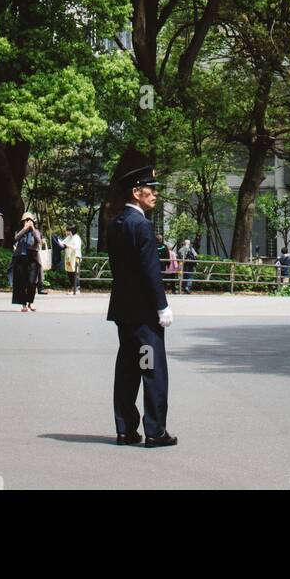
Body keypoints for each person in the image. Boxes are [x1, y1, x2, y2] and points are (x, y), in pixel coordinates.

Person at [107, 163, 176, 449]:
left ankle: (125, 429)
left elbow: (120, 269)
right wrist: (162, 306)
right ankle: (155, 431)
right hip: (145, 315)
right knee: (152, 369)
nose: (155, 194)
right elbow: (150, 271)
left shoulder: (116, 223)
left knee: (127, 369)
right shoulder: (143, 226)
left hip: (124, 311)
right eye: (152, 189)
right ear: (137, 192)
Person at [11, 212, 41, 311]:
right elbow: (16, 238)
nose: (28, 222)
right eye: (26, 220)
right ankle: (23, 305)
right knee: (22, 283)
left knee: (32, 282)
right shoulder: (20, 231)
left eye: (30, 220)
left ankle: (30, 303)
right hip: (21, 259)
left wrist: (32, 228)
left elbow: (39, 240)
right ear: (23, 222)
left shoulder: (36, 231)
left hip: (33, 259)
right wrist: (25, 229)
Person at [62, 225, 83, 295]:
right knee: (69, 272)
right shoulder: (68, 237)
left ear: (72, 231)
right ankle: (73, 288)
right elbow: (62, 243)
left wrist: (67, 246)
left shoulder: (77, 238)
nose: (67, 232)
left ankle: (77, 289)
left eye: (68, 231)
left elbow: (76, 247)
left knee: (74, 273)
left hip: (76, 257)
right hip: (69, 258)